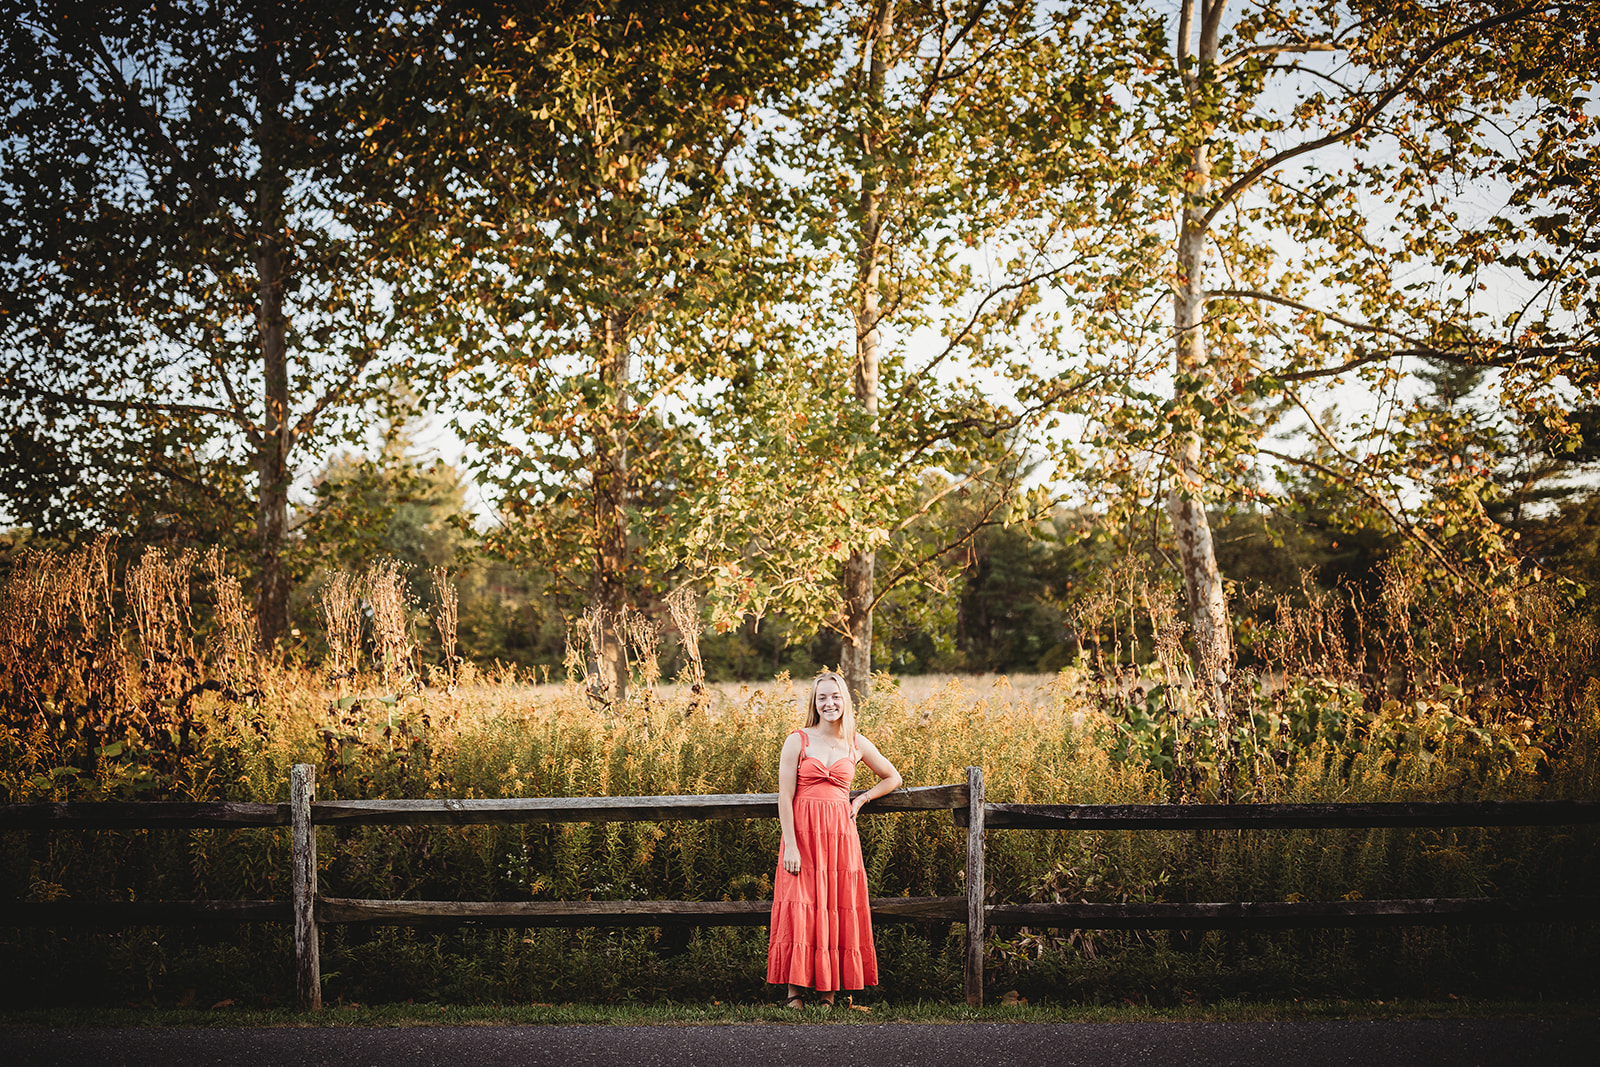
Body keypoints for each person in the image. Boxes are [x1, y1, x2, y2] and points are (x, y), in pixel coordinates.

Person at [767, 670, 903, 1008]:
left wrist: (861, 798)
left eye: (835, 696)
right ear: (815, 703)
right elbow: (784, 798)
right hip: (802, 838)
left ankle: (828, 994)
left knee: (834, 907)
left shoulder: (855, 742)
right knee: (801, 908)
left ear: (845, 700)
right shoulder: (798, 740)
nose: (830, 703)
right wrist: (792, 845)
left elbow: (893, 777)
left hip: (840, 837)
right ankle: (795, 994)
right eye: (823, 697)